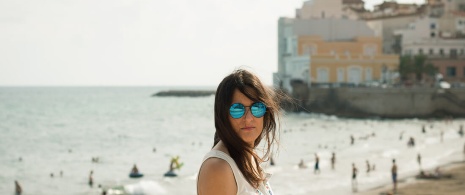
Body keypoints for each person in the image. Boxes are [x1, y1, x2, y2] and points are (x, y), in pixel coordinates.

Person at [197, 69, 284, 195]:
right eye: (238, 110)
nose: (249, 118)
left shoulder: (247, 157)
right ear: (223, 115)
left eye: (257, 108)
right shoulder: (218, 168)